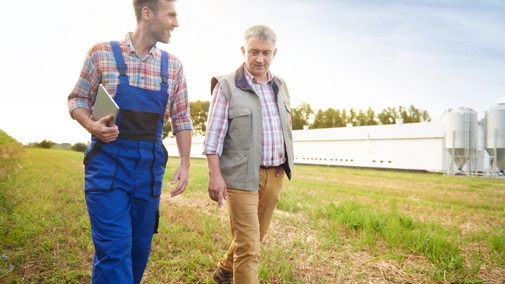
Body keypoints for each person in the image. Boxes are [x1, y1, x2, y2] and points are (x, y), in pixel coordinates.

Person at [67, 0, 192, 283]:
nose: (176, 22)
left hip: (148, 172)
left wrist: (185, 163)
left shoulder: (173, 66)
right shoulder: (101, 53)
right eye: (171, 14)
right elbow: (76, 99)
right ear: (147, 13)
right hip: (107, 165)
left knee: (138, 250)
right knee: (114, 251)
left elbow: (182, 118)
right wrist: (91, 124)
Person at [204, 25, 294, 284]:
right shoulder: (227, 86)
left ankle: (223, 271)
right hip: (241, 176)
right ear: (244, 51)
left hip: (274, 175)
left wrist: (284, 159)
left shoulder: (281, 86)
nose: (259, 59)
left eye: (266, 53)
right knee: (249, 247)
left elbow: (285, 127)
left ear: (274, 53)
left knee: (255, 236)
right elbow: (213, 138)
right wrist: (215, 176)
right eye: (254, 51)